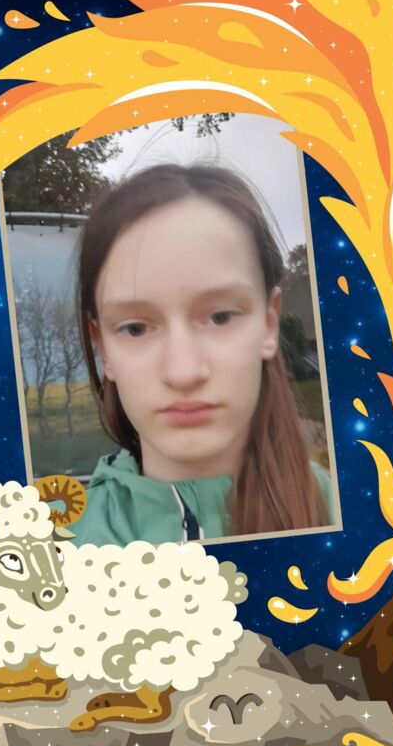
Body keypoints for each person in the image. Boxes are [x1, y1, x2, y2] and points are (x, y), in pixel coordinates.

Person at [69, 163, 334, 545]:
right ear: (102, 348)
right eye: (136, 328)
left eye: (220, 317)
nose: (183, 372)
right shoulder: (38, 553)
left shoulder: (379, 518)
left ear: (269, 324)